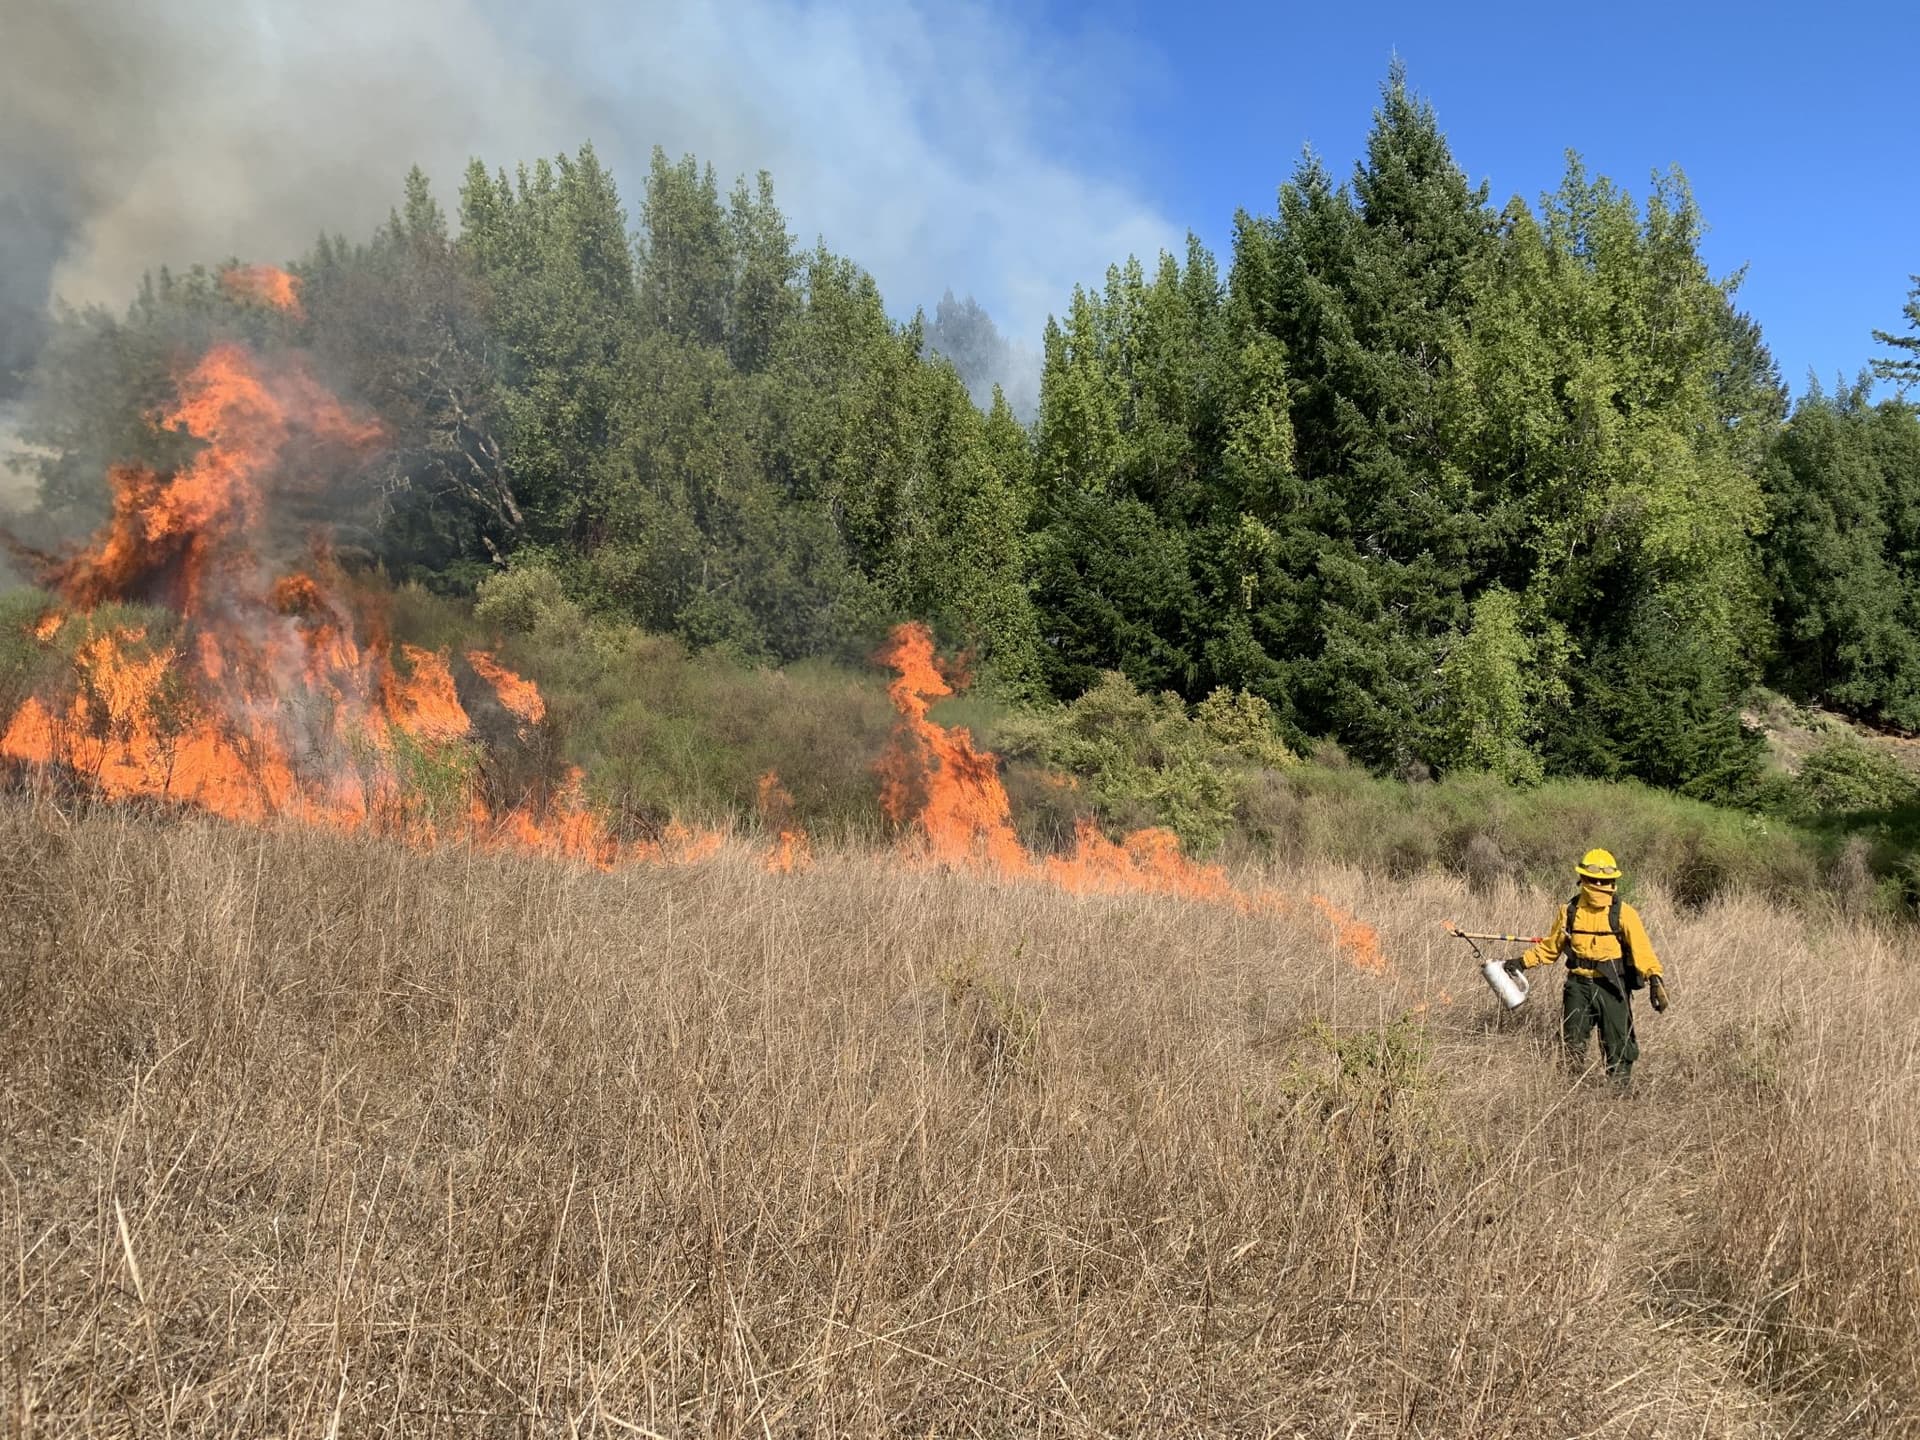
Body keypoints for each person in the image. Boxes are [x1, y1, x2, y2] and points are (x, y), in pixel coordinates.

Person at [1505, 849, 1670, 1086]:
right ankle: (1570, 1090)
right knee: (1571, 1042)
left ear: (1613, 882)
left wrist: (1654, 978)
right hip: (1578, 986)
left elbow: (1642, 951)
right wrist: (1522, 962)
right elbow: (1551, 948)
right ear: (1583, 879)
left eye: (1605, 881)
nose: (1600, 884)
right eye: (1595, 879)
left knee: (1618, 1042)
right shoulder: (1569, 911)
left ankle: (1619, 1092)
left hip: (1612, 986)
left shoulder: (1624, 913)